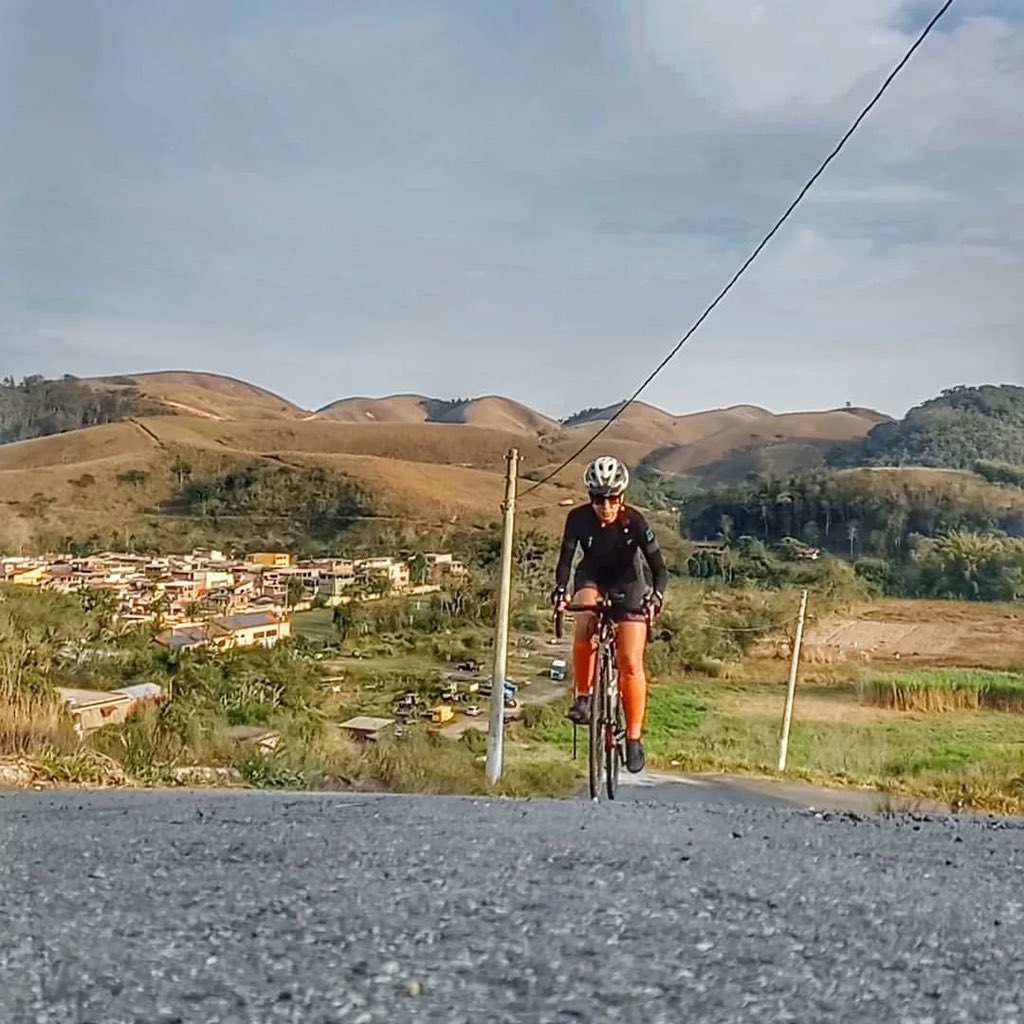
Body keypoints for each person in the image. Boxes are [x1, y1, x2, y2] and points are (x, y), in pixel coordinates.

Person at [550, 455, 668, 774]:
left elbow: (659, 569)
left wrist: (656, 596)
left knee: (630, 661)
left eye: (612, 498)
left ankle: (632, 738)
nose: (605, 505)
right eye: (598, 498)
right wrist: (560, 589)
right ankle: (584, 698)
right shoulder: (577, 519)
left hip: (629, 583)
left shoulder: (636, 522)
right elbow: (566, 560)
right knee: (585, 618)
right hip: (592, 576)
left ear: (622, 496)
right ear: (590, 498)